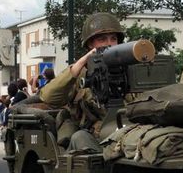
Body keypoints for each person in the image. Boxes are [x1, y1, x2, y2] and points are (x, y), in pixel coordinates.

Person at [39, 12, 124, 152]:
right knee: (79, 137)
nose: (109, 44)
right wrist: (81, 63)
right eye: (102, 39)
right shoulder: (80, 75)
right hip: (93, 141)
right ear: (90, 44)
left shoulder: (129, 69)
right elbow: (48, 96)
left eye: (113, 39)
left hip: (125, 134)